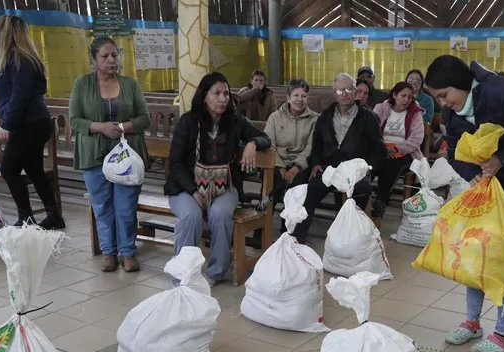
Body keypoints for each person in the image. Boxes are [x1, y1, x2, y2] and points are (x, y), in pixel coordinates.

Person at [425, 56, 504, 352]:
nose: (443, 103)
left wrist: (502, 159)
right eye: (438, 98)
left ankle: (503, 334)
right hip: (489, 184)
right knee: (475, 248)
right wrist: (472, 175)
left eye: (444, 95)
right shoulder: (452, 113)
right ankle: (472, 322)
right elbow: (454, 151)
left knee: (500, 254)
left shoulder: (502, 92)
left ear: (460, 84)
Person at [164, 72, 270, 286]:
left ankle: (215, 272)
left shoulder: (234, 121)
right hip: (186, 187)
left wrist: (252, 143)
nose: (223, 99)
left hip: (223, 186)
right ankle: (183, 274)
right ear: (204, 96)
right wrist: (193, 191)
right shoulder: (188, 121)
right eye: (217, 93)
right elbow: (175, 162)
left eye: (226, 94)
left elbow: (265, 138)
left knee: (220, 214)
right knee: (191, 216)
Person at [70, 36, 151, 273]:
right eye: (104, 56)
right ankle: (109, 252)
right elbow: (74, 120)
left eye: (114, 55)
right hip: (93, 154)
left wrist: (121, 127)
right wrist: (101, 127)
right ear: (93, 59)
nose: (111, 60)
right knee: (102, 207)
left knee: (125, 207)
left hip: (127, 155)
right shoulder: (82, 84)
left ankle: (128, 252)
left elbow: (144, 118)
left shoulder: (130, 84)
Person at [295, 72, 385, 244]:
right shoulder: (325, 116)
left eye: (349, 89)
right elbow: (317, 145)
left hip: (355, 169)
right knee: (310, 189)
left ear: (355, 92)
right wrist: (315, 163)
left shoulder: (368, 117)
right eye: (339, 90)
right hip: (330, 168)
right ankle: (297, 241)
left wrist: (368, 168)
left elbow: (379, 150)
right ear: (334, 94)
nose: (344, 94)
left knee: (361, 189)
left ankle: (352, 240)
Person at [0, 15, 63, 229]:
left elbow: (19, 95)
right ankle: (53, 215)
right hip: (33, 122)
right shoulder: (19, 58)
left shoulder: (19, 58)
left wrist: (7, 123)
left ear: (5, 33)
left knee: (9, 170)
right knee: (34, 170)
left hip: (28, 123)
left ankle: (26, 218)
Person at [263, 78, 319, 206]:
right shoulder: (275, 117)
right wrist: (281, 167)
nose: (300, 99)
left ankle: (288, 216)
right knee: (273, 176)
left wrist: (294, 169)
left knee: (298, 185)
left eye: (304, 96)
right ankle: (265, 214)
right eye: (296, 95)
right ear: (288, 98)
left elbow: (310, 149)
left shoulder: (314, 120)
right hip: (276, 162)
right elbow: (269, 145)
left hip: (301, 165)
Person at [372, 82, 425, 217]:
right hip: (381, 149)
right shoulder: (380, 109)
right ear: (394, 95)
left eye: (409, 97)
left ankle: (381, 201)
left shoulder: (415, 113)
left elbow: (416, 139)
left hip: (406, 152)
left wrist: (396, 149)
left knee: (393, 163)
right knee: (370, 162)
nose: (406, 100)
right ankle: (359, 198)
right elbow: (371, 131)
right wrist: (384, 148)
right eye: (403, 96)